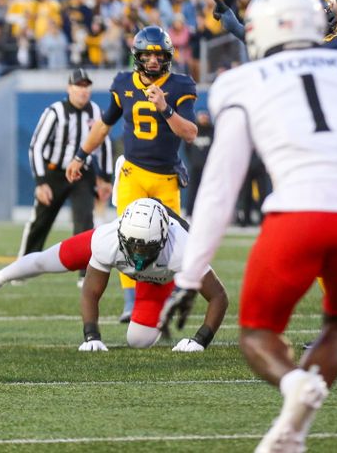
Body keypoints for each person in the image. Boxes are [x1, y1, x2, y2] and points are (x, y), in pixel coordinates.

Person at [176, 0, 337, 452]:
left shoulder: (245, 80)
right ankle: (293, 430)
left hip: (297, 214)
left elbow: (219, 186)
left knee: (257, 333)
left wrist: (190, 274)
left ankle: (295, 385)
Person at [213, 0, 337, 357]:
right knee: (317, 244)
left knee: (334, 237)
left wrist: (242, 30)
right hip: (335, 152)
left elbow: (301, 58)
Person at [0, 198, 228, 352]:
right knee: (44, 261)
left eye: (146, 246)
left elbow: (218, 297)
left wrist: (200, 340)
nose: (138, 253)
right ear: (123, 234)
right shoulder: (108, 240)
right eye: (133, 244)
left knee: (139, 341)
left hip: (156, 280)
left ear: (163, 239)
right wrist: (92, 336)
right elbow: (91, 291)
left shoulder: (184, 250)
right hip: (125, 255)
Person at [66, 26, 198, 324]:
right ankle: (129, 303)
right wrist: (80, 155)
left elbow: (190, 133)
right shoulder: (124, 83)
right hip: (132, 174)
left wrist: (164, 107)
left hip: (166, 178)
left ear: (168, 56)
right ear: (137, 57)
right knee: (127, 238)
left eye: (159, 55)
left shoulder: (179, 86)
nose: (153, 61)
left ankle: (166, 301)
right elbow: (102, 126)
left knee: (172, 242)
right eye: (148, 55)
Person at [19, 68, 113, 287]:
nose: (83, 90)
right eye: (79, 86)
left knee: (85, 222)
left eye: (86, 86)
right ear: (69, 88)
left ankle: (84, 275)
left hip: (82, 174)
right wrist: (41, 182)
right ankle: (23, 267)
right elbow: (36, 146)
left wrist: (105, 178)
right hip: (55, 173)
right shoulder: (55, 112)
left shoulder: (96, 111)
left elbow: (104, 143)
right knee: (40, 221)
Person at [183, 110, 213, 217]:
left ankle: (209, 213)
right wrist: (193, 160)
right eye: (202, 115)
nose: (203, 118)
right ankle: (189, 213)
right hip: (195, 167)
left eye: (205, 115)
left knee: (209, 191)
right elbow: (187, 147)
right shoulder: (193, 130)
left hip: (209, 167)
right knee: (193, 191)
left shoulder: (213, 131)